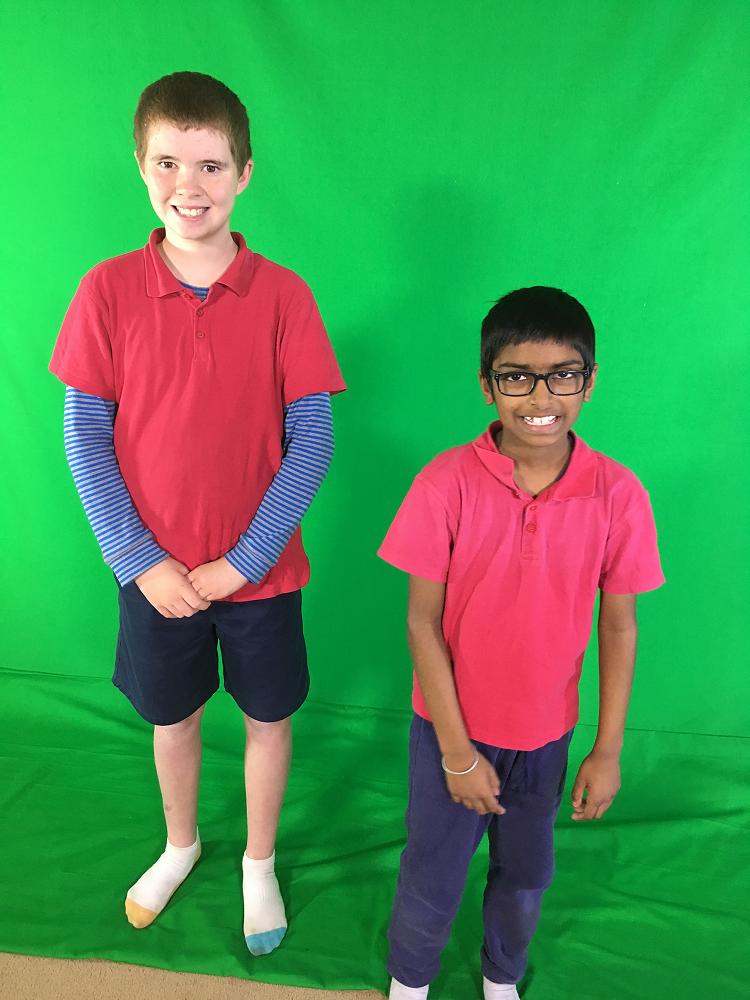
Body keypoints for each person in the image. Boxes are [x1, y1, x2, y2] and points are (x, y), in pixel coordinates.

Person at [49, 71, 346, 955]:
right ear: (141, 167)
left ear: (244, 174)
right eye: (168, 163)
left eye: (211, 165)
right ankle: (181, 845)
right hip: (156, 578)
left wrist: (244, 561)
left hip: (261, 578)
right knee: (171, 719)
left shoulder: (286, 296)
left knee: (268, 719)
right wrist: (142, 561)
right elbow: (84, 439)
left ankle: (259, 860)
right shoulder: (105, 291)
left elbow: (312, 441)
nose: (190, 185)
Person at [378, 286, 664, 999]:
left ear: (589, 382)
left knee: (528, 874)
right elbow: (420, 623)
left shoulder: (619, 494)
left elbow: (619, 625)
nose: (541, 396)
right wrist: (457, 753)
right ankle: (409, 981)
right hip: (449, 732)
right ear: (487, 384)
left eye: (563, 375)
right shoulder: (444, 483)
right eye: (517, 377)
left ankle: (500, 975)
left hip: (547, 740)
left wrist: (607, 749)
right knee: (434, 872)